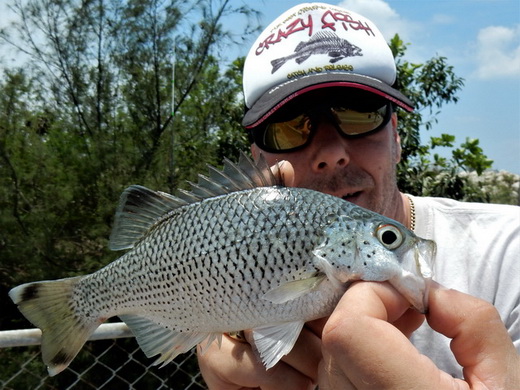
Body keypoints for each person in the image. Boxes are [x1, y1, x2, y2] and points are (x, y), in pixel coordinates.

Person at [197, 2, 520, 389]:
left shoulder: (510, 255)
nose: (332, 153)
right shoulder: (228, 287)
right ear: (261, 161)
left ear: (396, 137)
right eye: (289, 128)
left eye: (359, 113)